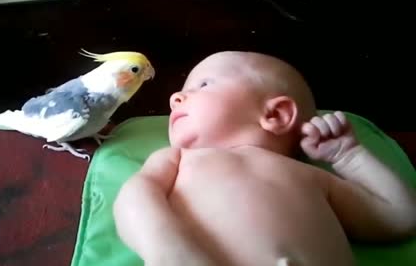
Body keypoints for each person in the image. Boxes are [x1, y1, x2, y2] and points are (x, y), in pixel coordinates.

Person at [113, 51, 416, 266]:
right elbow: (135, 198)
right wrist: (169, 249)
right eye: (181, 91)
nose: (175, 98)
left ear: (275, 114)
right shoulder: (177, 160)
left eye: (202, 85)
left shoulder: (311, 177)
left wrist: (348, 157)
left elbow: (399, 217)